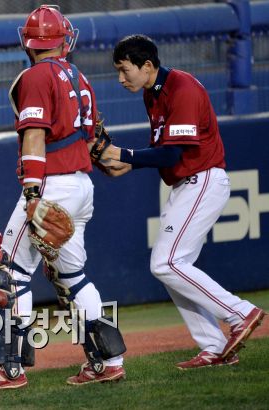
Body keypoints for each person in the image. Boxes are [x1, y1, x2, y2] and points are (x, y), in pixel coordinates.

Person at [0, 6, 126, 392]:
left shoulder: (37, 76)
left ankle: (8, 368)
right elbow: (95, 139)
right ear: (63, 39)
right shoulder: (79, 77)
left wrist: (34, 193)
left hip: (51, 186)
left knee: (10, 272)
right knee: (73, 277)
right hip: (81, 186)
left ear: (29, 42)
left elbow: (34, 135)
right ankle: (109, 361)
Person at [100, 34, 265, 369]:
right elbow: (160, 153)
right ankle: (214, 348)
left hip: (203, 179)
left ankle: (240, 313)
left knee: (166, 263)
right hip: (184, 184)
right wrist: (117, 163)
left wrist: (125, 154)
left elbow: (174, 152)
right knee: (172, 267)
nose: (120, 78)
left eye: (124, 69)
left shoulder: (183, 88)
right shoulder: (152, 93)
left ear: (147, 65)